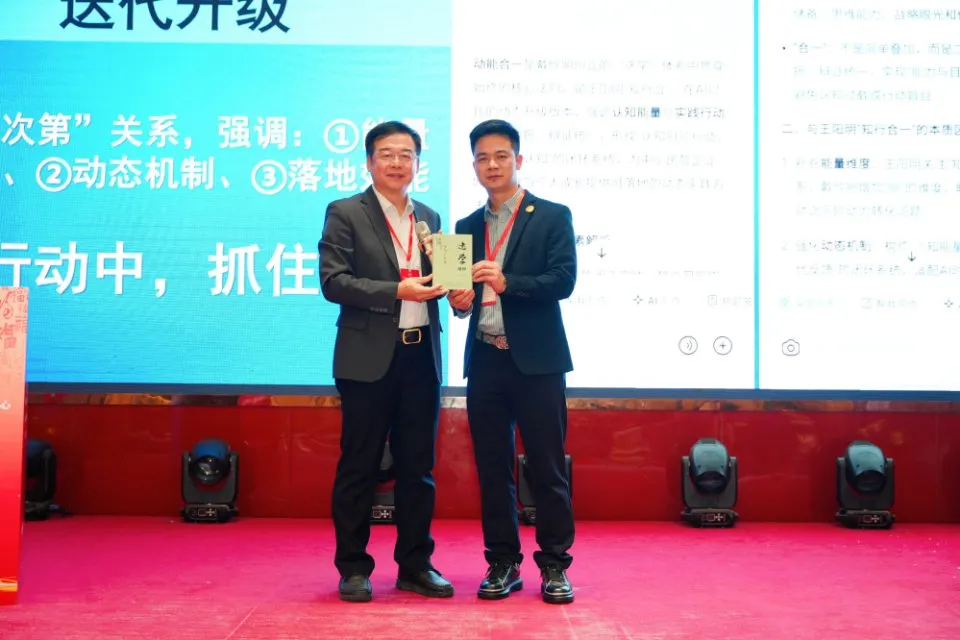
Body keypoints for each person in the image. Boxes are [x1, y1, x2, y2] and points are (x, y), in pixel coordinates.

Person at [318, 120, 454, 602]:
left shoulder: (430, 217)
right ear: (369, 162)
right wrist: (397, 290)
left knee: (418, 467)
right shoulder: (345, 212)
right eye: (387, 154)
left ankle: (415, 565)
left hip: (421, 355)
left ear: (418, 163)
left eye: (406, 155)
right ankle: (353, 567)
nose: (397, 163)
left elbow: (445, 282)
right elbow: (334, 282)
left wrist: (458, 292)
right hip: (367, 359)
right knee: (360, 465)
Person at [447, 119, 577, 604]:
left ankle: (555, 564)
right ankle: (502, 561)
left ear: (518, 160)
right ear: (474, 165)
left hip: (538, 362)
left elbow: (563, 281)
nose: (492, 165)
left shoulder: (552, 215)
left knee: (547, 466)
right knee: (492, 466)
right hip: (486, 359)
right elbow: (459, 299)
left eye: (501, 156)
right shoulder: (464, 228)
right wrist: (459, 300)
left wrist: (508, 283)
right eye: (483, 158)